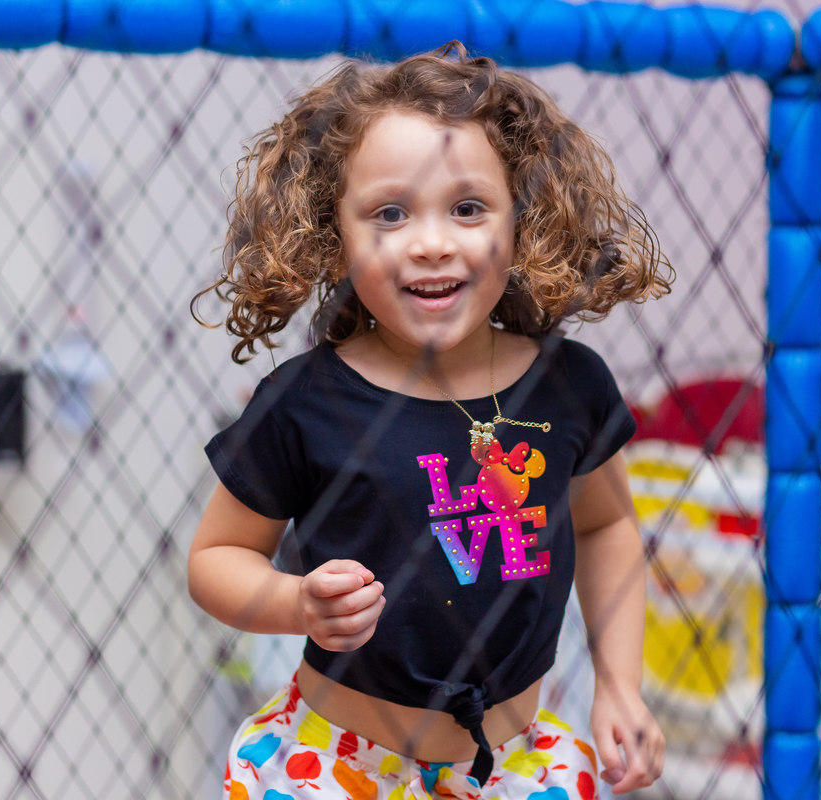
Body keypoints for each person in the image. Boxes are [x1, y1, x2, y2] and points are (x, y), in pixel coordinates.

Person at [188, 42, 672, 800]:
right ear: (332, 234)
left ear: (524, 220)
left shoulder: (568, 387)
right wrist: (295, 602)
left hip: (516, 769)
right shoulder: (304, 402)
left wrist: (620, 684)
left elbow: (609, 527)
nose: (433, 242)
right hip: (338, 767)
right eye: (389, 213)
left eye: (468, 207)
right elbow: (215, 558)